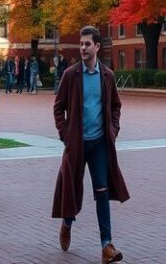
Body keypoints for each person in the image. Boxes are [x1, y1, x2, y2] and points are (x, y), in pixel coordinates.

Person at [53, 25, 129, 264]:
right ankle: (67, 223)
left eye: (88, 44)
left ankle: (106, 245)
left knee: (102, 191)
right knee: (71, 189)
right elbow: (58, 107)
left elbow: (116, 106)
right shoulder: (70, 75)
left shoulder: (107, 76)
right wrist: (66, 134)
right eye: (81, 43)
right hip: (76, 144)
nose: (83, 48)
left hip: (99, 144)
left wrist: (113, 131)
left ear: (97, 46)